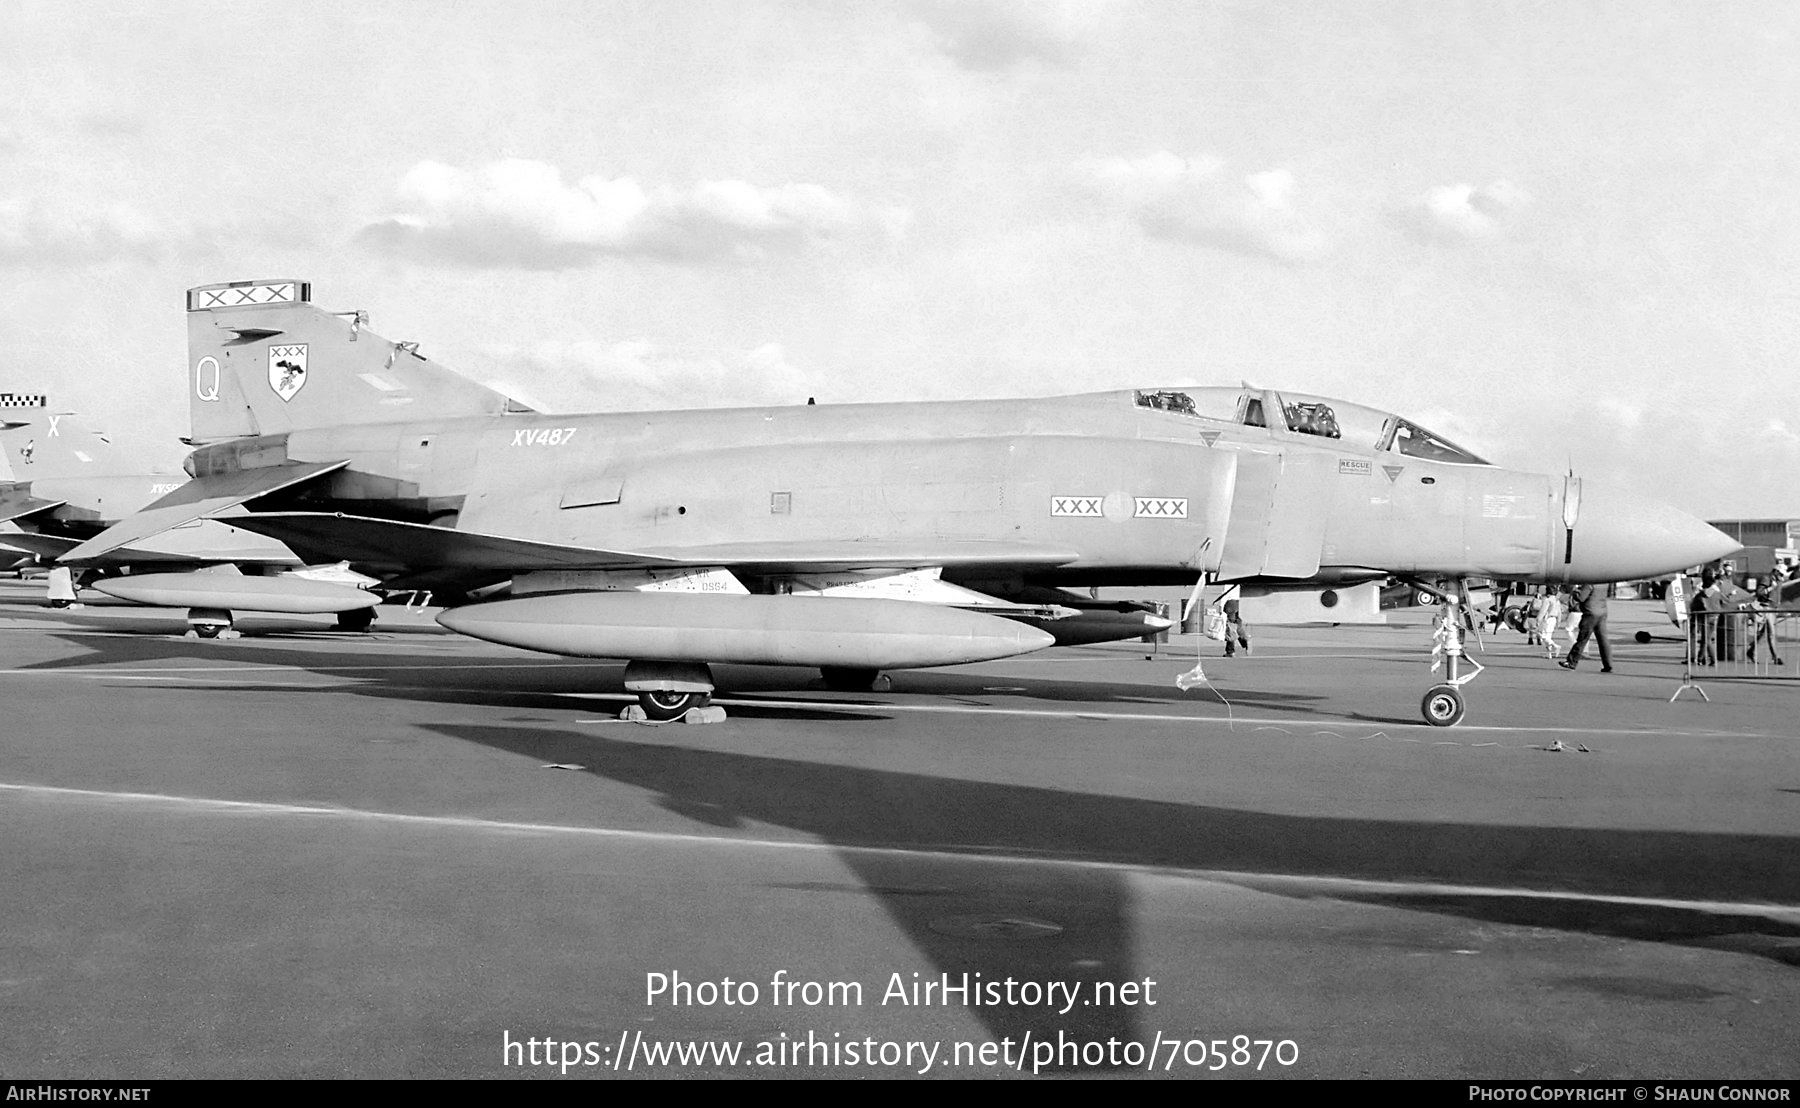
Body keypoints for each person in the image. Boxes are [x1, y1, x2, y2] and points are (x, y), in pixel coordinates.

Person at [1559, 582, 1613, 672]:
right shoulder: (1604, 582)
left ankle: (1572, 662)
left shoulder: (1589, 583)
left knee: (1582, 639)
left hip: (1590, 613)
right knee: (1603, 639)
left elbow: (1581, 597)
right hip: (1602, 611)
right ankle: (1608, 664)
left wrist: (1575, 590)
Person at [1745, 577, 1785, 666]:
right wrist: (1770, 588)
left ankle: (1751, 651)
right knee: (1771, 633)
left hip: (1773, 609)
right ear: (1776, 572)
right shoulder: (1767, 580)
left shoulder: (1780, 581)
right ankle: (1775, 657)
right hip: (1766, 608)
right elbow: (1759, 593)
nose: (1781, 576)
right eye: (1780, 573)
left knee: (1762, 634)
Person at [1533, 588, 1565, 660]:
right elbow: (1559, 611)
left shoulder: (1547, 600)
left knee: (1543, 635)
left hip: (1547, 618)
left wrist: (1538, 619)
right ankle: (1549, 653)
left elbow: (1543, 610)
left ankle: (1556, 646)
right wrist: (1558, 621)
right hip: (1554, 618)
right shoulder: (1556, 600)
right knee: (1548, 636)